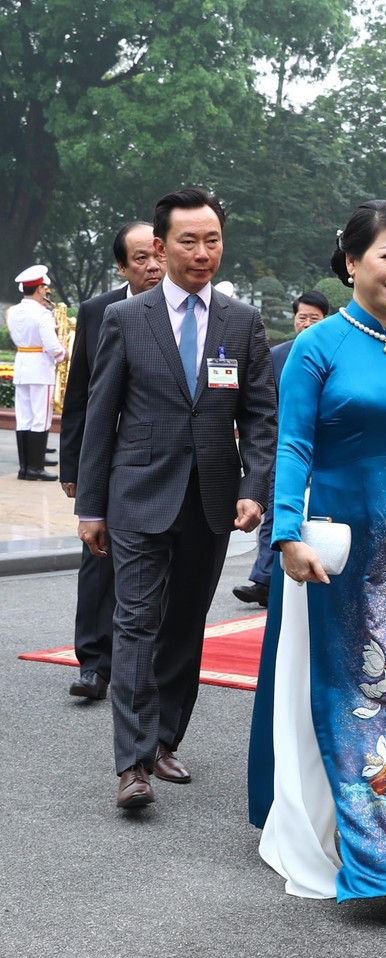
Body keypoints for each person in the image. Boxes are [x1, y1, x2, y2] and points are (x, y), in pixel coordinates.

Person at [247, 200, 386, 916]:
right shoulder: (317, 348)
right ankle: (384, 869)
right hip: (338, 551)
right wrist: (286, 535)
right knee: (356, 704)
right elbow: (294, 447)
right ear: (350, 263)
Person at [75, 187, 276, 811]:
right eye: (188, 241)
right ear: (160, 249)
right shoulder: (125, 319)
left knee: (186, 626)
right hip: (138, 493)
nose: (202, 252)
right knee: (135, 621)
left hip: (212, 501)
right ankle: (132, 765)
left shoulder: (241, 322)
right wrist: (91, 505)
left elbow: (261, 415)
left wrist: (253, 488)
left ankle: (165, 740)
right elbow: (99, 412)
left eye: (212, 240)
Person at [60, 221, 166, 701]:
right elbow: (80, 395)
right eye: (140, 258)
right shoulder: (99, 311)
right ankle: (94, 664)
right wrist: (73, 470)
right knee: (98, 562)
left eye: (157, 255)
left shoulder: (192, 312)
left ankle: (148, 668)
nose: (153, 266)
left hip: (166, 463)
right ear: (122, 266)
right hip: (110, 460)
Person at [234, 290, 330, 607]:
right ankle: (264, 579)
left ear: (324, 319)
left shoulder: (332, 352)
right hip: (285, 445)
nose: (306, 324)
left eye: (313, 318)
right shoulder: (278, 355)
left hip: (325, 446)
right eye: (301, 317)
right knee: (274, 508)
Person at [7, 264, 65, 481]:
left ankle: (25, 467)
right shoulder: (42, 314)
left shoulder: (13, 311)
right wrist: (64, 353)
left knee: (24, 418)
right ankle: (36, 468)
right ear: (40, 289)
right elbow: (52, 347)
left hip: (22, 364)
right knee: (40, 418)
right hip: (40, 367)